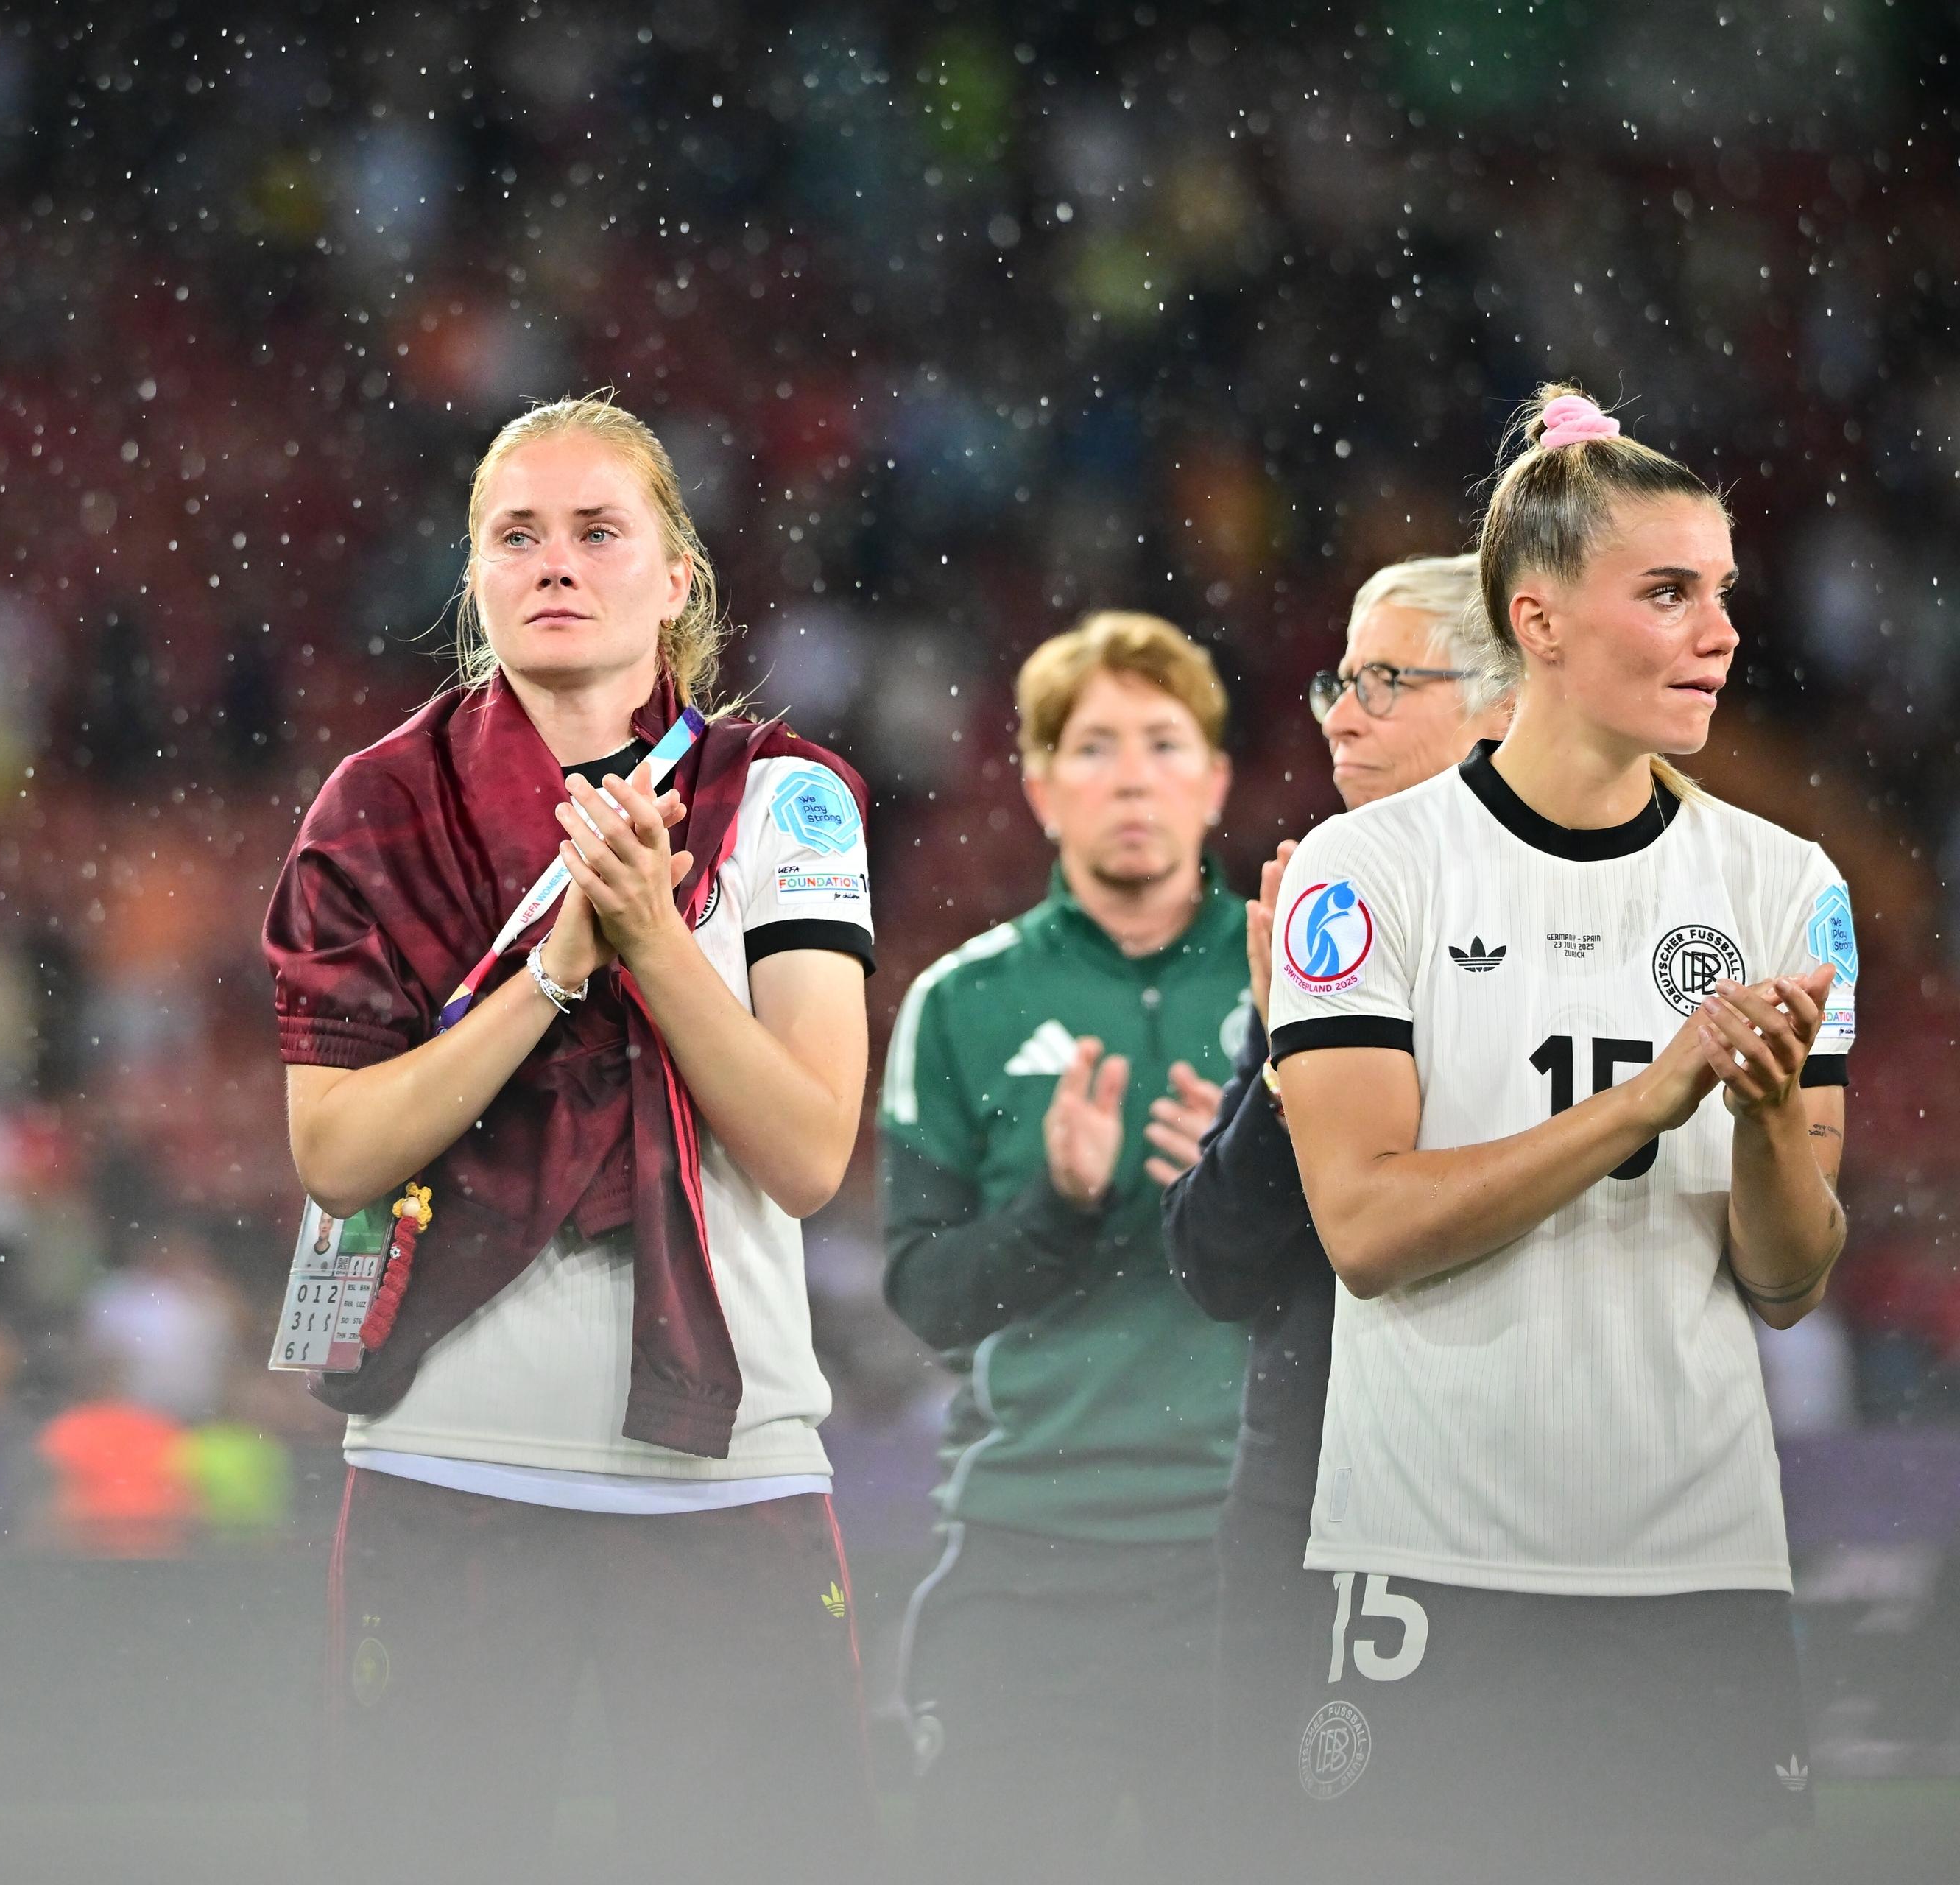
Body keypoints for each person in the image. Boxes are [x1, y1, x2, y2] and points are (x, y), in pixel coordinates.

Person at [263, 394, 878, 1881]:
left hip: (730, 1470)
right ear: (474, 576)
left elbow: (807, 1149)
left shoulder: (784, 798)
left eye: (601, 530)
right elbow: (336, 1151)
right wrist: (553, 974)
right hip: (444, 1454)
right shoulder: (377, 805)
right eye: (517, 534)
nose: (557, 561)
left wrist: (654, 944)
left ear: (678, 577)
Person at [1266, 389, 1853, 1879]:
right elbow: (1369, 1228)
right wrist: (1646, 1105)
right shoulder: (1368, 867)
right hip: (1430, 1559)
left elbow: (1788, 1279)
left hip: (1697, 1561)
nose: (1719, 630)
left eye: (1723, 590)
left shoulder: (1786, 882)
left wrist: (1774, 1118)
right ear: (1536, 621)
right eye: (1667, 590)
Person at [878, 611, 1251, 1878]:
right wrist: (1054, 1211)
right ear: (1037, 786)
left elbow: (1388, 1263)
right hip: (1026, 1557)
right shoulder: (960, 1002)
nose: (1133, 775)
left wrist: (1256, 1191)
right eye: (1093, 747)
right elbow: (925, 1294)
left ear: (1215, 777)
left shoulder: (1309, 980)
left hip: (1256, 1548)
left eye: (1164, 741)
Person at [1160, 554, 1512, 1870]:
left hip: (1504, 1491)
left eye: (1383, 682)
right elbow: (1216, 1260)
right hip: (1308, 1485)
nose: (1338, 715)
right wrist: (1287, 1047)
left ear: (1505, 707)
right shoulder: (1321, 914)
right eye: (1335, 681)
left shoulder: (1592, 919)